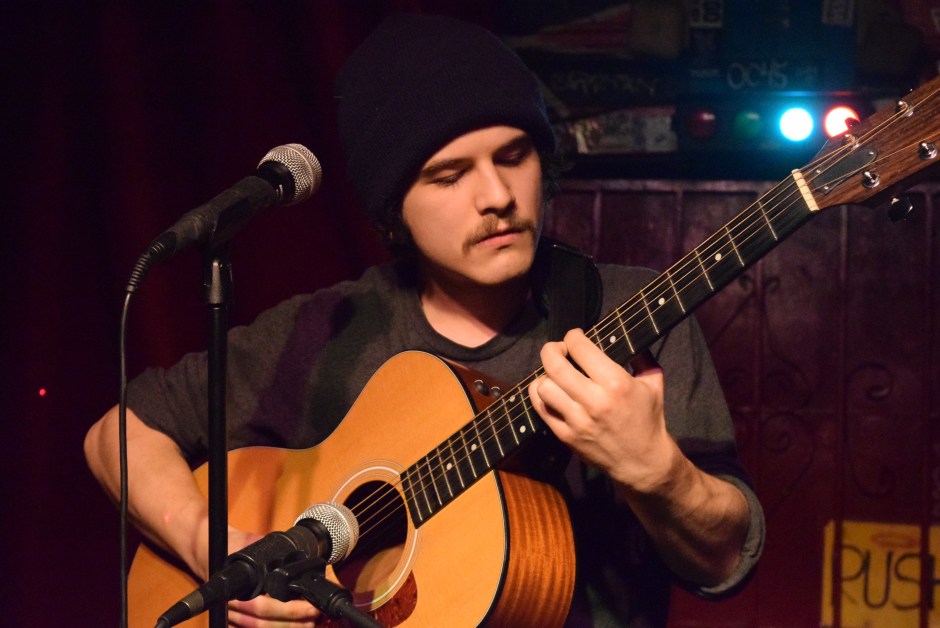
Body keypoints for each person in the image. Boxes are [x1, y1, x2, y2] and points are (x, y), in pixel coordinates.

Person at [85, 12, 764, 627]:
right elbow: (116, 435)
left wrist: (658, 474)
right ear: (393, 211)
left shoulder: (634, 315)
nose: (497, 196)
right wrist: (210, 546)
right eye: (449, 175)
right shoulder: (334, 326)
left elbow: (725, 558)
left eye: (514, 156)